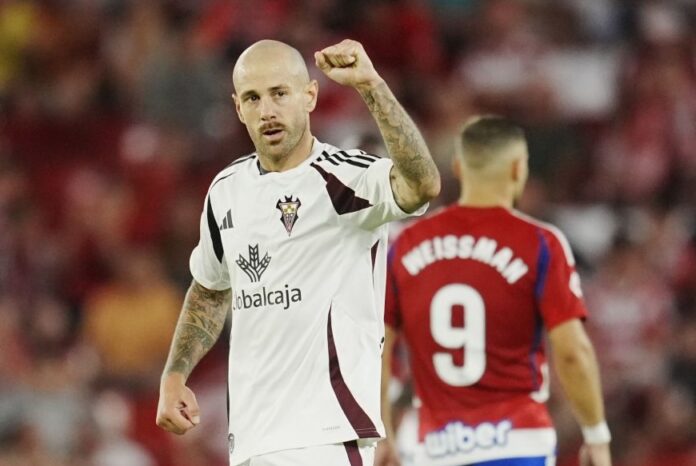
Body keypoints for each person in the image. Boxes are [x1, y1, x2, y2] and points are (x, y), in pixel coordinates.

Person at [155, 39, 440, 466]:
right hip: (251, 441)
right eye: (253, 98)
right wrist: (175, 375)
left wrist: (371, 86)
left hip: (327, 438)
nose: (267, 110)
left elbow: (423, 185)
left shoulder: (346, 179)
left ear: (310, 96)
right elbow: (211, 290)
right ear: (238, 108)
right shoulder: (226, 191)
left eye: (279, 94)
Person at [379, 116, 611, 466]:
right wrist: (595, 435)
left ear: (458, 167)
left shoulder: (405, 245)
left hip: (436, 448)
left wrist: (383, 432)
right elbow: (572, 352)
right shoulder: (540, 243)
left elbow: (377, 348)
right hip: (517, 444)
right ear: (518, 169)